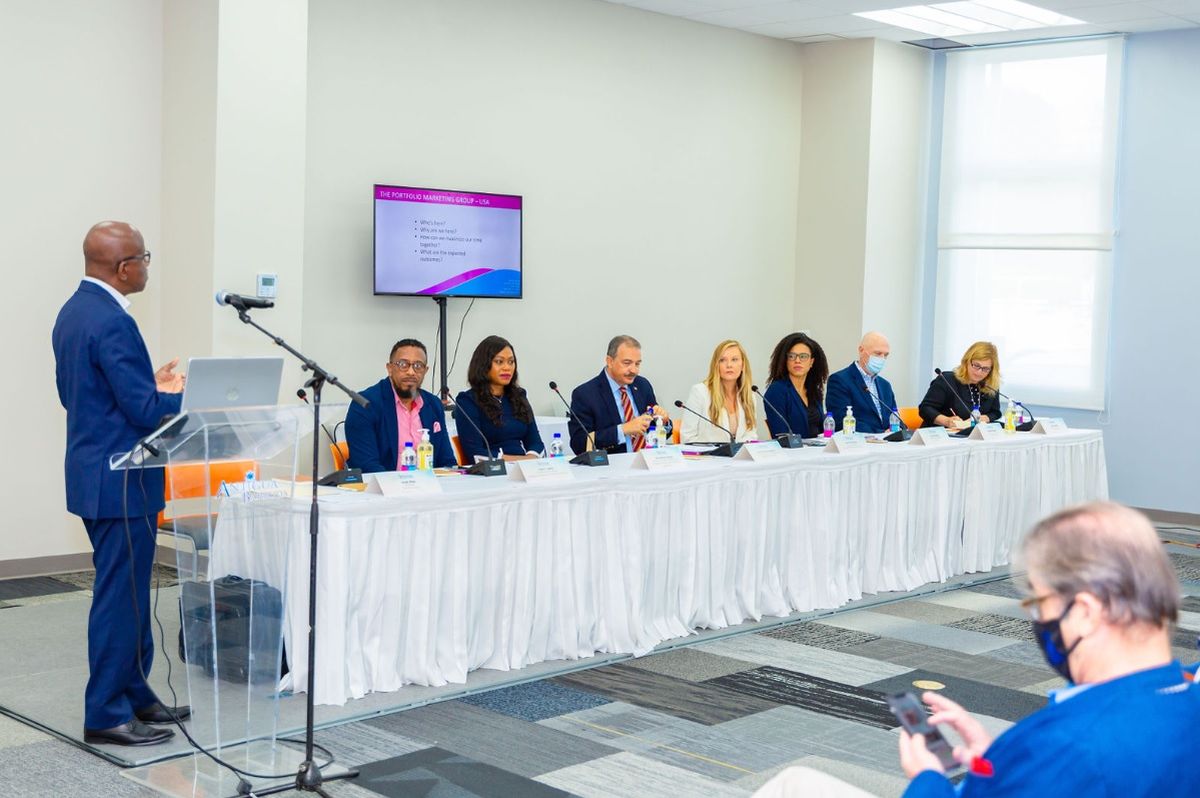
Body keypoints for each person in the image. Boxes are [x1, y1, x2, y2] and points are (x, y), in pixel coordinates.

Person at [897, 502, 1196, 797]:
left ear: (1084, 613)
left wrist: (928, 781)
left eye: (1040, 604)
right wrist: (999, 764)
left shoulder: (1064, 746)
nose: (1038, 619)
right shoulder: (1187, 696)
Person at [52, 221, 189, 746]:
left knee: (130, 595)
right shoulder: (111, 320)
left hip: (98, 472)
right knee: (119, 600)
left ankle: (136, 696)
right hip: (121, 480)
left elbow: (83, 395)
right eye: (145, 258)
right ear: (124, 267)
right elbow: (142, 409)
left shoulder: (74, 312)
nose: (148, 266)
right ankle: (106, 713)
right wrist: (186, 399)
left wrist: (147, 385)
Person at [345, 338, 458, 471]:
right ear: (390, 368)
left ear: (425, 371)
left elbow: (447, 461)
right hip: (384, 488)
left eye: (418, 366)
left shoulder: (433, 404)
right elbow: (366, 466)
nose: (411, 372)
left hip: (429, 487)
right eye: (403, 364)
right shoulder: (365, 404)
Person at [568, 335, 671, 455]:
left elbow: (655, 430)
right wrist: (623, 430)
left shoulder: (642, 385)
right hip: (611, 467)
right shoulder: (585, 394)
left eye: (637, 364)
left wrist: (663, 422)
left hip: (649, 462)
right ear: (609, 361)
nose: (634, 370)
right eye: (627, 363)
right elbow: (579, 443)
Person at [454, 335, 543, 461]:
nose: (507, 368)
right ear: (484, 365)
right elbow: (474, 452)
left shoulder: (519, 396)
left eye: (511, 362)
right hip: (491, 472)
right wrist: (520, 461)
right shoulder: (468, 401)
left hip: (525, 468)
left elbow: (536, 443)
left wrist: (532, 458)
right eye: (499, 362)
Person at [681, 340, 766, 444]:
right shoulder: (700, 392)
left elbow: (751, 434)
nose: (729, 365)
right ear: (716, 365)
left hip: (740, 457)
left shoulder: (749, 395)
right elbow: (687, 438)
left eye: (734, 360)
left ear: (743, 365)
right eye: (722, 360)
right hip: (708, 458)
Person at [824, 331, 898, 434]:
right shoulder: (839, 380)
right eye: (877, 353)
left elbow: (895, 417)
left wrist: (899, 431)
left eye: (886, 355)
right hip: (857, 444)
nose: (882, 359)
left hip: (887, 444)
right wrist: (880, 433)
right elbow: (841, 420)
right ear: (861, 350)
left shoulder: (885, 385)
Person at [918, 341, 1002, 429]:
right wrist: (946, 421)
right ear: (967, 361)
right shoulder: (946, 380)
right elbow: (925, 409)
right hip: (940, 435)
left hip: (973, 437)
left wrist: (984, 418)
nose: (979, 372)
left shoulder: (991, 384)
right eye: (976, 365)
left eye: (985, 368)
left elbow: (995, 412)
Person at [763, 332, 829, 439]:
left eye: (803, 356)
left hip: (818, 451)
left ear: (811, 362)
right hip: (792, 453)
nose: (797, 360)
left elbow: (822, 429)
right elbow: (781, 435)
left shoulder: (815, 391)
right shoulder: (776, 391)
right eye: (792, 356)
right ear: (785, 361)